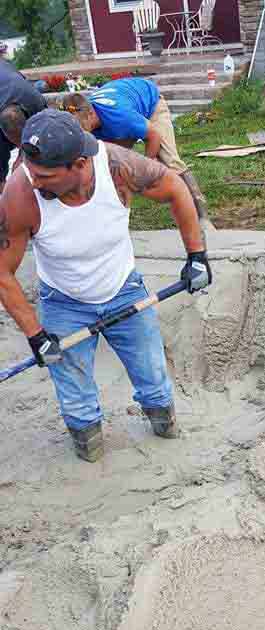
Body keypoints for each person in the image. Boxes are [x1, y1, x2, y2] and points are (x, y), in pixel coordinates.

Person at [0, 109, 212, 463]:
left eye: (46, 176)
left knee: (153, 375)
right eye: (32, 173)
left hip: (123, 288)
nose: (35, 182)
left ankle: (165, 428)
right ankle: (88, 449)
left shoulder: (117, 168)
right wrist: (37, 336)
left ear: (80, 164)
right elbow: (3, 273)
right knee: (75, 395)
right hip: (63, 302)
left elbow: (176, 188)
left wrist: (197, 256)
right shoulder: (21, 194)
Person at [62, 77, 210, 228]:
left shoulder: (119, 115)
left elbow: (153, 135)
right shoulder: (83, 115)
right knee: (109, 166)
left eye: (84, 128)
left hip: (150, 104)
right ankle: (108, 221)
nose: (83, 134)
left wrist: (146, 169)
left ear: (92, 114)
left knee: (170, 160)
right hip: (121, 114)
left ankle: (202, 216)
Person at [0, 59, 48, 193]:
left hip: (27, 99)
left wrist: (23, 156)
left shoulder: (37, 105)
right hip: (27, 95)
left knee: (36, 154)